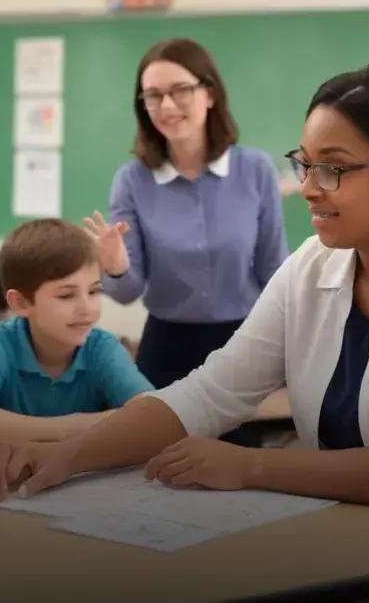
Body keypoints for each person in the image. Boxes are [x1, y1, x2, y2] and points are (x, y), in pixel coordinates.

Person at [0, 56, 369, 601]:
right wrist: (68, 455)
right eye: (305, 164)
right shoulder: (312, 268)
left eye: (334, 169)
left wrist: (251, 468)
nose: (307, 188)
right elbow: (209, 394)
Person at [83, 38, 287, 392]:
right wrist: (114, 264)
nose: (166, 105)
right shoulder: (132, 180)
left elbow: (275, 271)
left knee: (243, 445)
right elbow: (126, 291)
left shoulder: (255, 169)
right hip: (167, 348)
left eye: (180, 90)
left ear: (209, 93)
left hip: (246, 342)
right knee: (158, 446)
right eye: (153, 95)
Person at [0, 219, 153, 443]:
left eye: (94, 291)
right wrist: (76, 427)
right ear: (21, 303)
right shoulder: (0, 344)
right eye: (66, 295)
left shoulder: (101, 347)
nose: (87, 308)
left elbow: (154, 414)